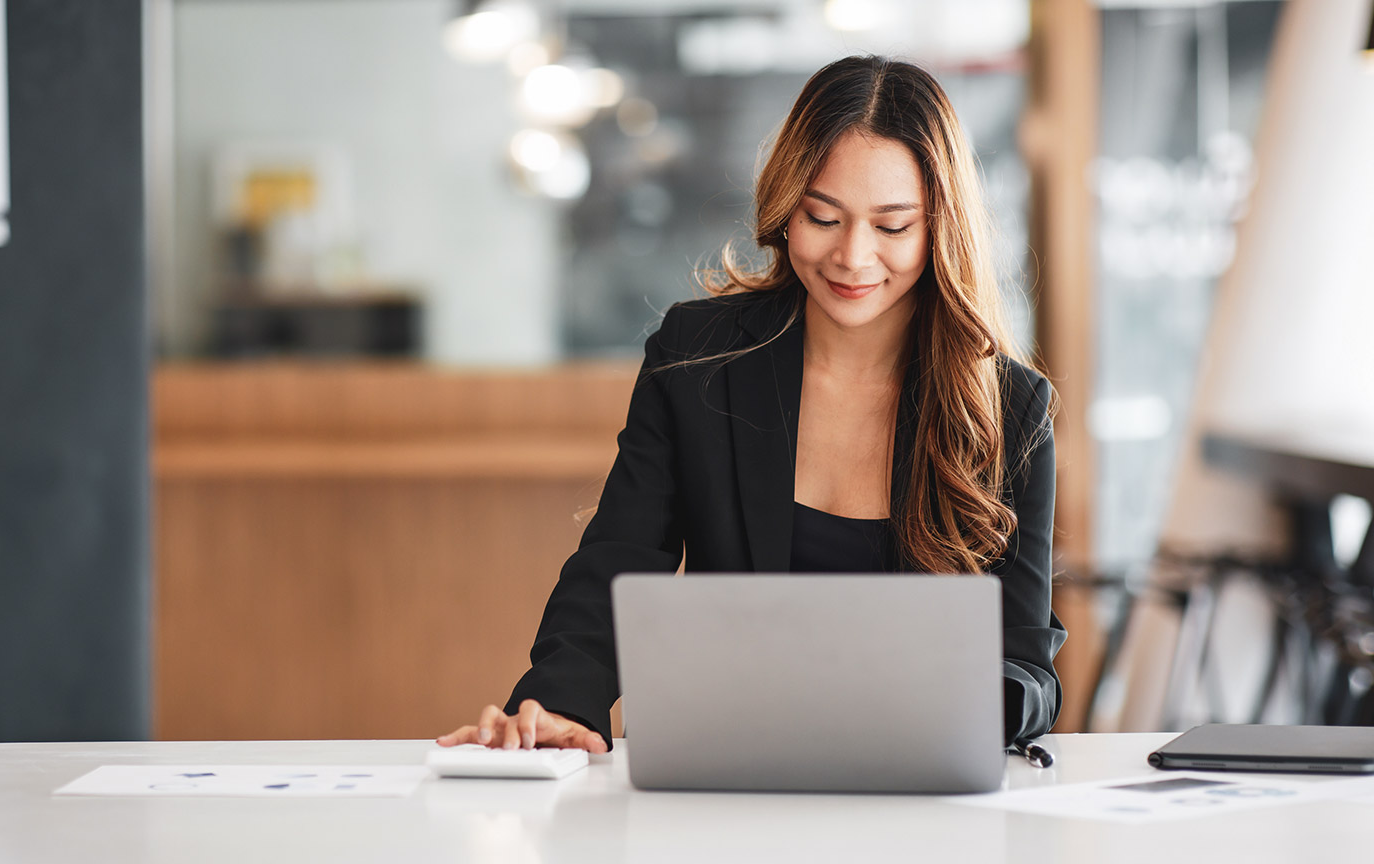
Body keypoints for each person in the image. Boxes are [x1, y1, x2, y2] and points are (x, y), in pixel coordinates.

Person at [437, 54, 1065, 755]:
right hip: (725, 764)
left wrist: (971, 702)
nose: (853, 258)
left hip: (914, 778)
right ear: (784, 206)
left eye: (892, 227)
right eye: (823, 216)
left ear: (940, 230)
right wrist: (554, 707)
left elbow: (1028, 664)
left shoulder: (1009, 408)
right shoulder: (698, 356)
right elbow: (618, 559)